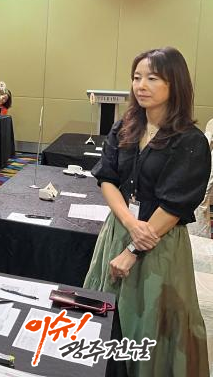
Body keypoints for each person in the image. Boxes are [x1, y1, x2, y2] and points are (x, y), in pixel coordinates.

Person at [84, 47, 210, 376]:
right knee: (107, 318)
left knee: (150, 323)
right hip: (119, 231)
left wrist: (133, 249)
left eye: (152, 78)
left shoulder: (190, 141)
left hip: (159, 243)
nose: (141, 85)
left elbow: (174, 204)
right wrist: (129, 224)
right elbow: (107, 179)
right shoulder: (125, 127)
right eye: (137, 77)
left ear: (174, 83)